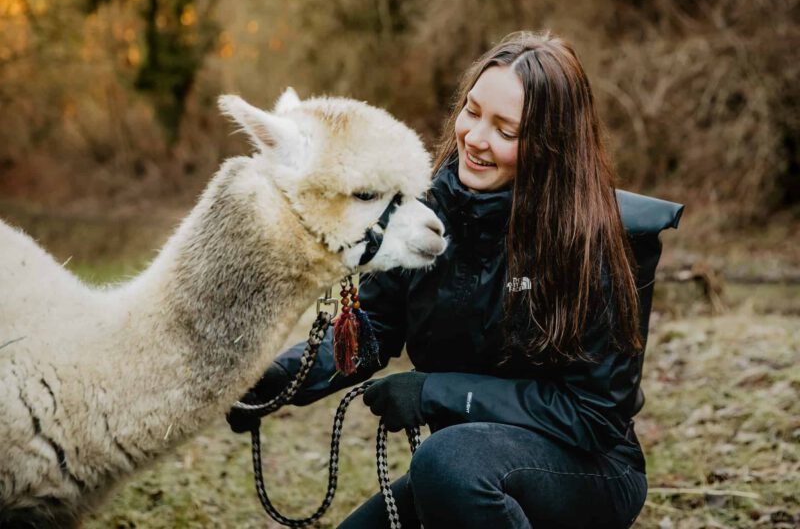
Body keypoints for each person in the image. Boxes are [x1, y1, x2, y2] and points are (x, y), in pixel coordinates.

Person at [227, 31, 683, 528]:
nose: (475, 137)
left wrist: (436, 393)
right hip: (463, 465)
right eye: (472, 110)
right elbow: (372, 328)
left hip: (583, 470)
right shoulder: (429, 212)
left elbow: (591, 415)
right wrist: (275, 379)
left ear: (551, 147)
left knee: (448, 465)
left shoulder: (600, 239)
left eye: (506, 131)